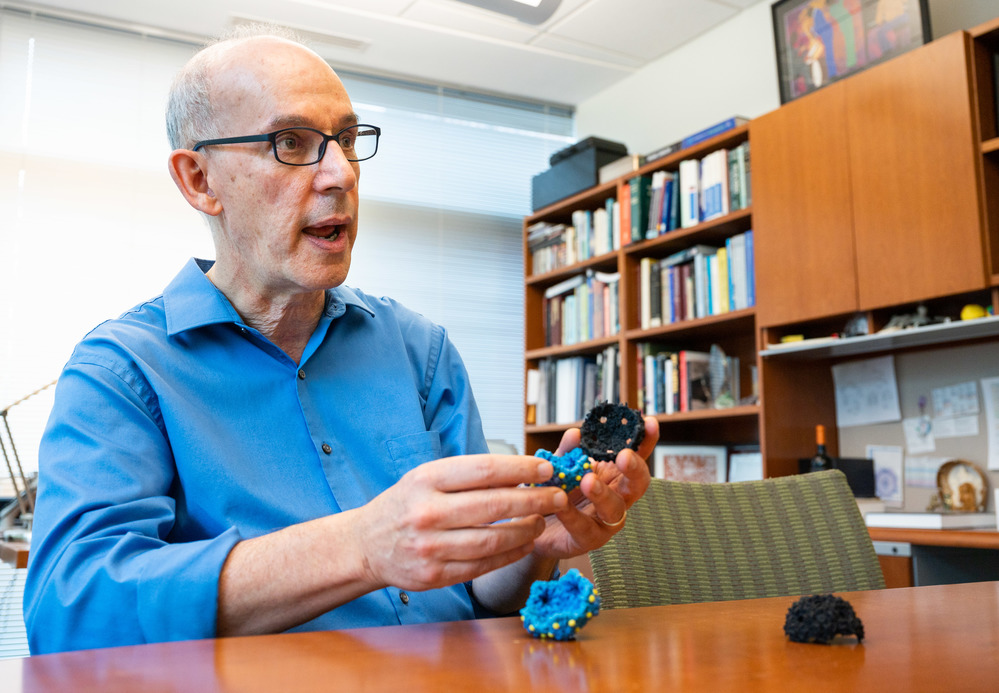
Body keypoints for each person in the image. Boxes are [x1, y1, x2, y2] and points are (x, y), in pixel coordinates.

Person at [23, 27, 656, 654]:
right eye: (291, 142)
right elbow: (70, 609)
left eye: (348, 141)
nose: (341, 174)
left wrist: (531, 547)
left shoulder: (421, 352)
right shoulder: (121, 372)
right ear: (199, 181)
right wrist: (361, 546)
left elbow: (486, 593)